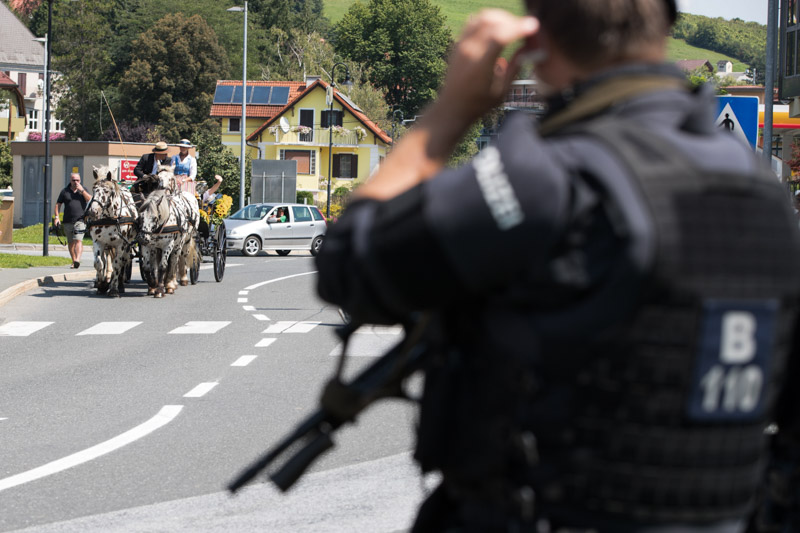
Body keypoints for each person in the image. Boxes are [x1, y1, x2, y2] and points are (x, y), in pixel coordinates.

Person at [314, 1, 800, 532]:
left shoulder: (548, 178)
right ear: (667, 24)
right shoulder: (766, 199)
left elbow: (351, 263)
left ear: (535, 42)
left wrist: (450, 111)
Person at [54, 172, 92, 268]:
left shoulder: (83, 190)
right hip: (67, 220)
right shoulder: (65, 191)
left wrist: (82, 191)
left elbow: (90, 200)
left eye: (77, 180)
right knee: (71, 242)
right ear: (70, 180)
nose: (75, 182)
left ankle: (77, 259)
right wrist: (57, 217)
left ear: (80, 180)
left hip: (80, 220)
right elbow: (58, 204)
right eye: (73, 180)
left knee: (78, 240)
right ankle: (73, 260)